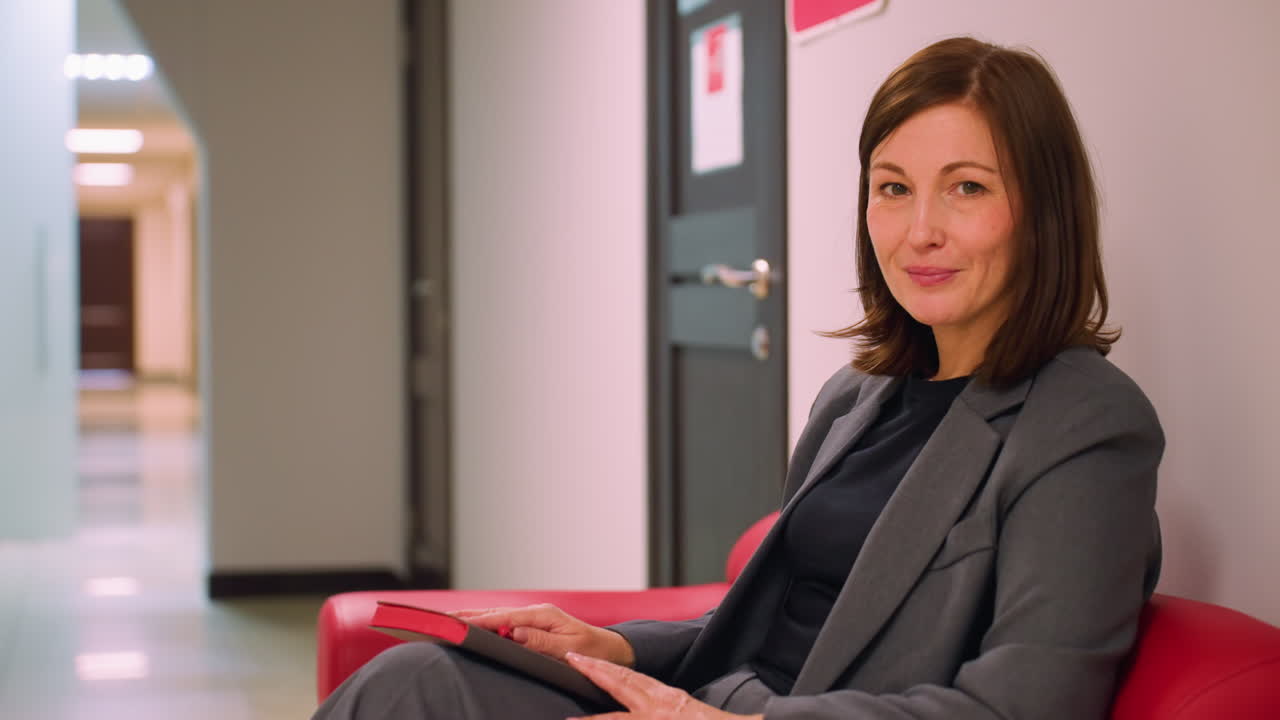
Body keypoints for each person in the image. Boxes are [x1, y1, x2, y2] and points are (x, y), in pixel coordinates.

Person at [313, 36, 1163, 720]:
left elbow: (1025, 705)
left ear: (1042, 211)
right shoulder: (856, 400)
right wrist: (616, 648)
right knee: (413, 683)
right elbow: (763, 627)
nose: (919, 230)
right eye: (893, 189)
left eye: (966, 189)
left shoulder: (1085, 422)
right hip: (704, 700)